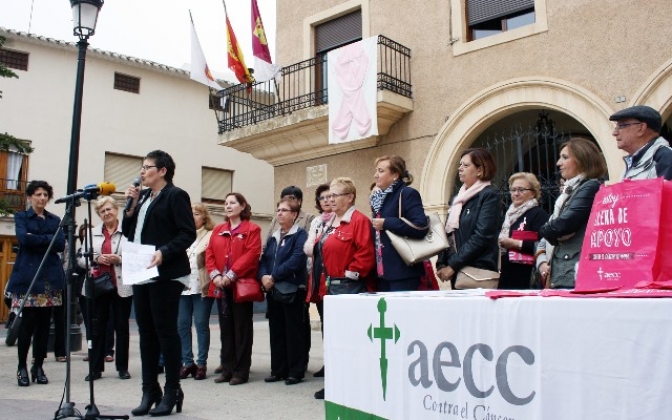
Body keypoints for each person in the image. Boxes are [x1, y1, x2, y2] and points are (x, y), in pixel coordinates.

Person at [123, 150, 196, 416]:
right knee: (146, 332)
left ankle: (173, 389)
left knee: (165, 330)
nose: (142, 172)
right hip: (141, 269)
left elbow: (187, 232)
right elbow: (130, 231)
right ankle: (149, 389)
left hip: (165, 272)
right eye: (141, 167)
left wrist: (164, 252)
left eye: (147, 167)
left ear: (162, 170)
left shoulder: (176, 195)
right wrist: (130, 206)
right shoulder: (141, 197)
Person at [313, 177, 376, 399]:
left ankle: (351, 384)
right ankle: (336, 382)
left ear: (349, 198)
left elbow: (366, 253)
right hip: (331, 285)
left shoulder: (358, 220)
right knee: (334, 339)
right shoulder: (331, 221)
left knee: (349, 338)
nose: (330, 199)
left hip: (348, 286)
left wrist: (351, 273)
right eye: (328, 195)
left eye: (335, 195)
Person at [7, 180, 65, 387]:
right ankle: (22, 366)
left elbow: (60, 243)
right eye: (38, 194)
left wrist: (38, 238)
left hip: (49, 280)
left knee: (43, 327)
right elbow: (23, 238)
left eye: (45, 195)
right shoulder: (21, 216)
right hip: (29, 280)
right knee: (27, 326)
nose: (42, 198)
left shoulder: (55, 219)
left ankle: (38, 366)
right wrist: (46, 238)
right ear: (30, 197)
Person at [206, 192, 261, 386]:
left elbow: (252, 254)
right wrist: (216, 275)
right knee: (226, 329)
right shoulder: (219, 229)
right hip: (221, 286)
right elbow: (210, 253)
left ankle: (241, 371)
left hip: (240, 286)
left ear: (242, 206)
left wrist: (231, 275)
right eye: (226, 203)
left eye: (232, 203)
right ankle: (227, 369)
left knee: (242, 329)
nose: (228, 206)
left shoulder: (252, 229)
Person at [539, 138, 607, 289]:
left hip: (573, 272)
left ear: (582, 159)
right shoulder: (572, 190)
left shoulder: (590, 186)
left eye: (565, 157)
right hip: (564, 269)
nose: (558, 163)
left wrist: (544, 230)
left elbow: (564, 224)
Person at [78, 196, 133, 381]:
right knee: (96, 327)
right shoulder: (92, 233)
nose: (106, 213)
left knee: (122, 328)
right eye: (102, 211)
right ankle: (95, 368)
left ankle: (122, 368)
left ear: (116, 210)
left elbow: (137, 257)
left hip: (121, 285)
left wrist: (120, 259)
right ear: (98, 215)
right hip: (98, 286)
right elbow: (80, 259)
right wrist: (96, 258)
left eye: (109, 209)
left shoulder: (128, 231)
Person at [259, 197, 309, 385]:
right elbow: (263, 259)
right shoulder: (273, 236)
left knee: (294, 332)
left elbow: (297, 260)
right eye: (278, 210)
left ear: (294, 214)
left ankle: (295, 371)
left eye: (284, 210)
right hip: (273, 291)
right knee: (276, 331)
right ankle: (278, 370)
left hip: (293, 290)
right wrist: (263, 276)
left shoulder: (300, 235)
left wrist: (273, 276)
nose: (279, 213)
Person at [436, 148, 501, 289]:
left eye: (465, 165)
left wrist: (453, 265)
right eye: (460, 165)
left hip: (476, 272)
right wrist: (442, 262)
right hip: (457, 271)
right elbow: (449, 234)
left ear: (480, 170)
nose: (460, 168)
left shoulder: (489, 195)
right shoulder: (459, 199)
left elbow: (481, 236)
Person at [370, 155, 428, 291]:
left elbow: (421, 226)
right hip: (382, 274)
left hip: (403, 273)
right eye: (376, 171)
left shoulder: (407, 193)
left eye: (381, 171)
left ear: (395, 175)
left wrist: (387, 223)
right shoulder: (379, 198)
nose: (376, 175)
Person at [178, 203, 215, 381]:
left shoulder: (210, 235)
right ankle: (187, 362)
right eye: (189, 213)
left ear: (204, 217)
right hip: (182, 286)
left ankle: (201, 364)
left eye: (196, 214)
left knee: (201, 324)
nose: (192, 217)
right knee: (182, 324)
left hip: (201, 286)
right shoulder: (182, 235)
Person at [497, 173, 549, 289]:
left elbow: (544, 245)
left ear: (533, 193)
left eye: (521, 190)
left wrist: (516, 244)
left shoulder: (538, 215)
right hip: (507, 277)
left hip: (528, 279)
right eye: (513, 190)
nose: (516, 193)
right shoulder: (508, 216)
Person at [303, 183, 332, 379]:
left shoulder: (341, 219)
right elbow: (308, 248)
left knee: (336, 325)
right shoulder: (316, 222)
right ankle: (328, 362)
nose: (327, 201)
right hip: (318, 278)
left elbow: (317, 246)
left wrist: (316, 245)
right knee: (325, 324)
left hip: (336, 279)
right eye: (323, 198)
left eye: (331, 196)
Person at [610, 105, 672, 180]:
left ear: (641, 128)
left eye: (621, 126)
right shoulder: (633, 162)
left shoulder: (665, 158)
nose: (614, 133)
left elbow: (666, 190)